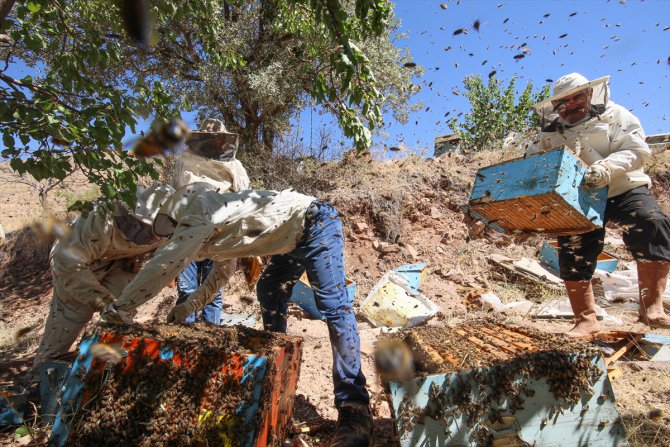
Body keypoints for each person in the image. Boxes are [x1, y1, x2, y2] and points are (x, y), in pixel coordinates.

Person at [101, 183, 374, 446]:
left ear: (176, 215)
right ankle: (276, 368)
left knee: (334, 307)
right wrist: (188, 307)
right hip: (292, 238)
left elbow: (166, 263)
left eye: (174, 228)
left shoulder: (201, 211)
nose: (174, 234)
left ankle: (354, 407)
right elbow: (220, 275)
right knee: (269, 289)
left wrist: (123, 307)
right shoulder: (216, 228)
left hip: (317, 223)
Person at [527, 72, 670, 336]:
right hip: (579, 197)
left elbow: (636, 150)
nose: (571, 104)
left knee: (652, 223)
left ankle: (652, 308)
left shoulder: (617, 115)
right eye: (563, 102)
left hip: (622, 185)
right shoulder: (548, 133)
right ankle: (585, 320)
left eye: (577, 97)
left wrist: (606, 168)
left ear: (590, 94)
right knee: (573, 246)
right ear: (555, 107)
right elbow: (533, 162)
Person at [27, 182, 175, 384]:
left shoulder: (173, 220)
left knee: (121, 317)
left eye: (154, 227)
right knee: (68, 320)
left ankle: (107, 379)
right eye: (141, 225)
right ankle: (37, 385)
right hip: (76, 264)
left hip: (124, 263)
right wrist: (102, 302)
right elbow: (65, 264)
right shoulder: (96, 218)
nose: (147, 233)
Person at [172, 118, 249, 325]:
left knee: (212, 290)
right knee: (187, 290)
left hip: (218, 233)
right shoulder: (185, 161)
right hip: (191, 231)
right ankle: (184, 340)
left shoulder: (234, 165)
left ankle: (209, 338)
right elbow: (177, 193)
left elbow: (243, 195)